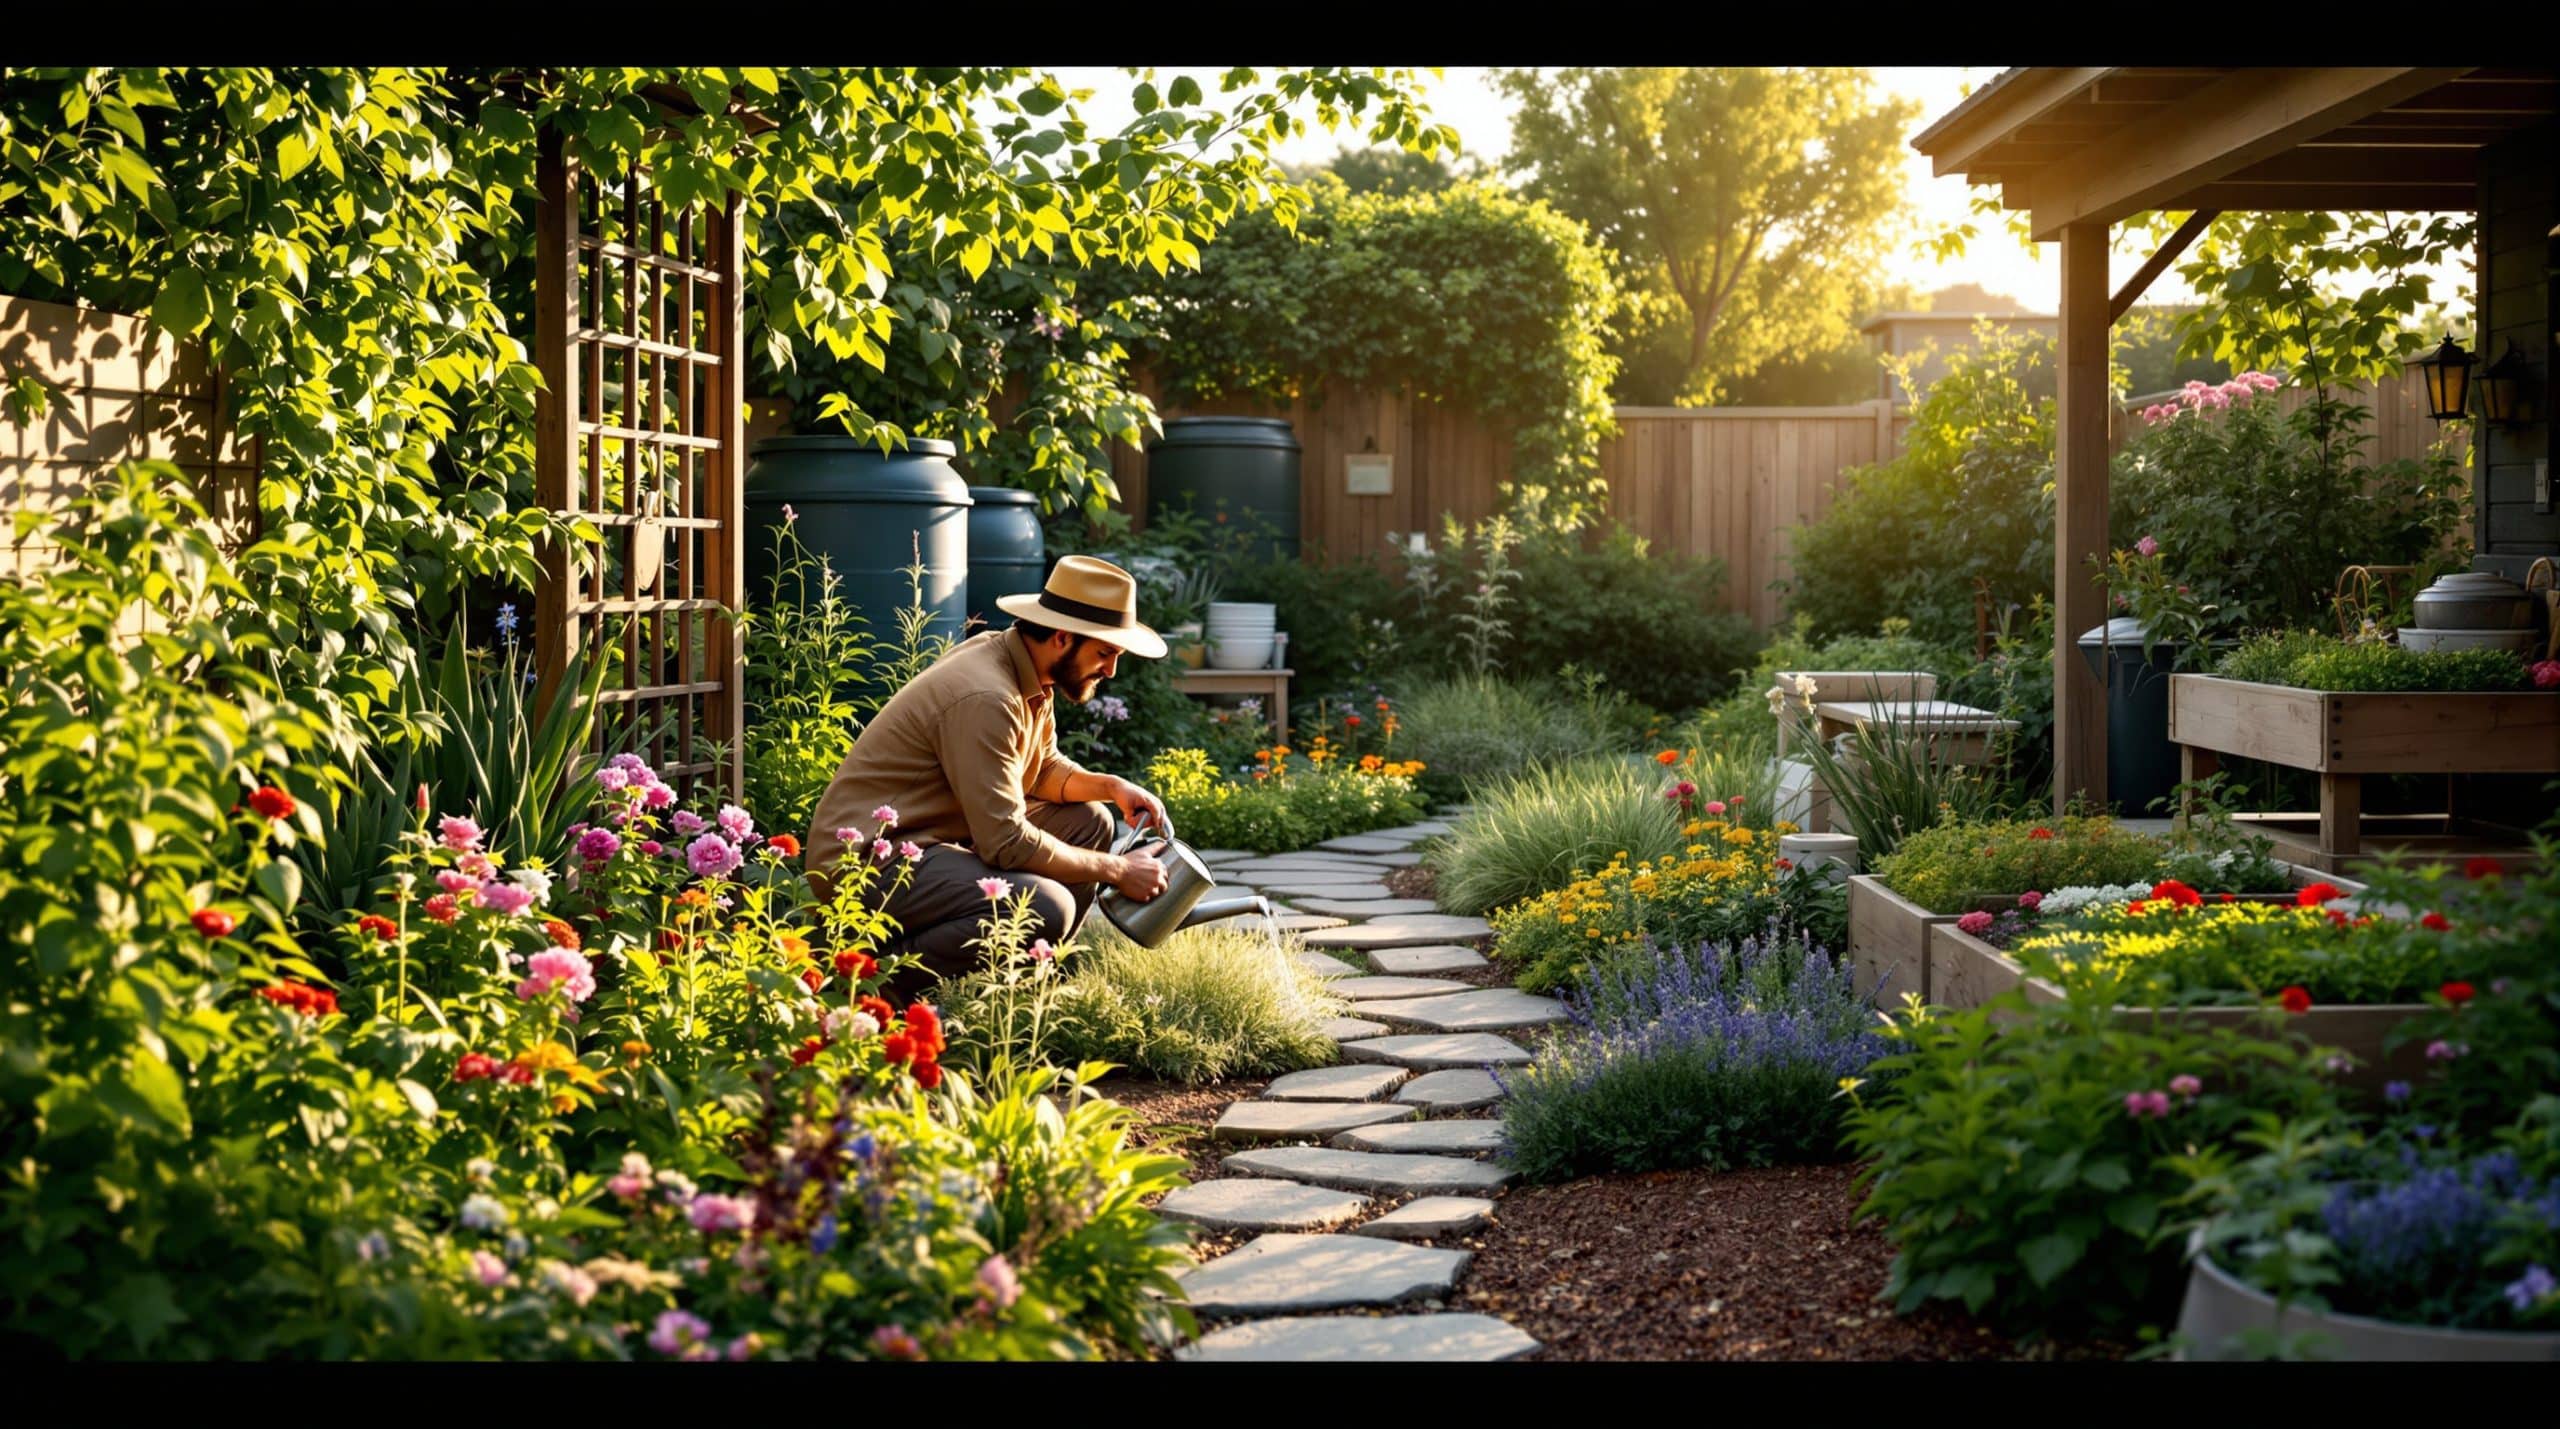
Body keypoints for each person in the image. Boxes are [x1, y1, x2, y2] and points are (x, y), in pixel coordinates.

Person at [803, 553, 1174, 994]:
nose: (1111, 670)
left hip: (928, 844)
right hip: (868, 864)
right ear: (1061, 638)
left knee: (1089, 820)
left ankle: (1032, 980)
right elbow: (1007, 844)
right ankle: (872, 986)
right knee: (1042, 906)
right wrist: (1117, 869)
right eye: (1106, 653)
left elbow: (1041, 770)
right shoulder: (987, 697)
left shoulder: (1027, 669)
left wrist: (1112, 787)